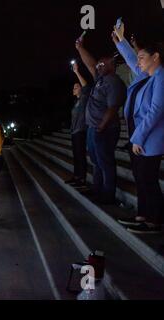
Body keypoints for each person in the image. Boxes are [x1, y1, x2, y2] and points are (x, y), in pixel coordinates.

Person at [112, 23, 164, 234]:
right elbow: (132, 61)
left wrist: (138, 137)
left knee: (148, 179)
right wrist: (121, 41)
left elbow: (156, 110)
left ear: (156, 57)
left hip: (148, 138)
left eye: (143, 57)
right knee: (140, 178)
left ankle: (155, 220)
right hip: (138, 135)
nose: (139, 60)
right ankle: (143, 215)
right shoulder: (146, 75)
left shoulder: (161, 77)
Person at [75, 36, 127, 204]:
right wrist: (80, 48)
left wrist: (101, 126)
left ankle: (108, 194)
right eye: (99, 65)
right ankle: (97, 190)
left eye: (102, 64)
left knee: (105, 161)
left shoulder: (114, 82)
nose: (98, 67)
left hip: (105, 128)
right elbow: (90, 64)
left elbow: (113, 108)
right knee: (96, 161)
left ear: (112, 65)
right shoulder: (100, 79)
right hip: (94, 128)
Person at [66, 62, 90, 188]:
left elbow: (86, 86)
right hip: (74, 131)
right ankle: (76, 177)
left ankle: (82, 179)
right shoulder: (76, 102)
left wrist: (76, 72)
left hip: (81, 131)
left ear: (81, 88)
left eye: (76, 87)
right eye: (74, 87)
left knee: (80, 155)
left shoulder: (84, 98)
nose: (73, 89)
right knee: (76, 155)